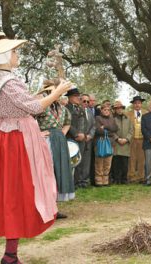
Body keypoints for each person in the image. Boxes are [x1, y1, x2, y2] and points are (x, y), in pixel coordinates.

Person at [0, 32, 72, 263]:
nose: (17, 54)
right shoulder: (8, 80)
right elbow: (34, 108)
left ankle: (10, 254)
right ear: (3, 53)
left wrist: (42, 94)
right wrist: (57, 92)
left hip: (10, 137)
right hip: (16, 141)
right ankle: (10, 254)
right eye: (14, 51)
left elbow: (19, 106)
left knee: (13, 193)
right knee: (19, 192)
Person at [36, 80, 74, 219]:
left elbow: (68, 122)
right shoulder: (41, 106)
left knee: (59, 171)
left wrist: (61, 133)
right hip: (45, 141)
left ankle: (54, 208)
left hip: (59, 140)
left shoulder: (63, 108)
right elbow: (28, 120)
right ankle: (44, 208)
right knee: (47, 173)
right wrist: (38, 133)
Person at [65, 88, 88, 188]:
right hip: (70, 139)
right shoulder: (66, 108)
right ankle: (70, 183)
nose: (78, 97)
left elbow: (85, 123)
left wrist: (83, 134)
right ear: (70, 97)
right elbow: (67, 123)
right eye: (76, 96)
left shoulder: (81, 108)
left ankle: (77, 182)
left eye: (79, 95)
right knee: (70, 162)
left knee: (79, 161)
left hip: (81, 139)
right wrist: (76, 134)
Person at [94, 103, 118, 186]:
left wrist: (104, 127)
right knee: (99, 162)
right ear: (101, 110)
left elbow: (115, 129)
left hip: (110, 143)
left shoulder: (112, 119)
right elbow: (97, 130)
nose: (107, 111)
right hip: (100, 142)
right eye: (105, 110)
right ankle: (99, 180)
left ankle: (105, 180)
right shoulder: (97, 118)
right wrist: (108, 129)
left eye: (108, 110)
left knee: (108, 162)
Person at [111, 100, 133, 184]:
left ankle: (124, 179)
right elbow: (111, 131)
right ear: (115, 109)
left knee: (124, 163)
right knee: (116, 163)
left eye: (121, 108)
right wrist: (117, 139)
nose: (119, 110)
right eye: (117, 108)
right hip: (116, 144)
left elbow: (131, 130)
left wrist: (127, 139)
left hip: (125, 144)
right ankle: (116, 179)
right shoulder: (112, 118)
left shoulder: (127, 118)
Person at [127, 95, 147, 183]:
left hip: (142, 139)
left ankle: (141, 177)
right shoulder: (128, 114)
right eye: (135, 103)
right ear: (133, 105)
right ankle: (131, 176)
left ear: (141, 104)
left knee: (142, 158)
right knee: (132, 158)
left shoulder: (146, 113)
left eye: (139, 103)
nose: (137, 105)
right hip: (132, 139)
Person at [79, 93, 96, 186]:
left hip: (88, 140)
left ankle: (84, 181)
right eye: (84, 101)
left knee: (86, 161)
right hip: (79, 140)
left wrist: (90, 135)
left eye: (87, 101)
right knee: (79, 161)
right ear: (80, 100)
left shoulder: (90, 112)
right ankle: (77, 181)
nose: (86, 103)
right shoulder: (77, 110)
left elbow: (93, 125)